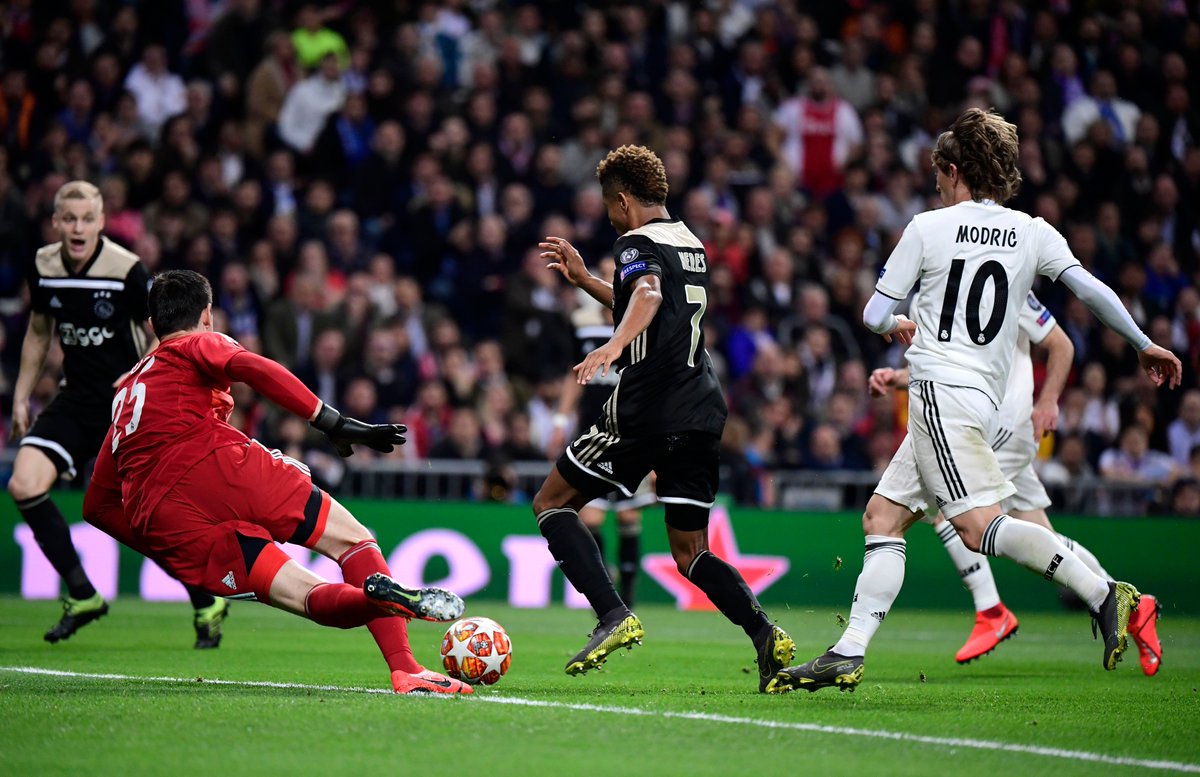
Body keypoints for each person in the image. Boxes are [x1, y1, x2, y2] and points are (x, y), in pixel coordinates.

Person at [771, 109, 1181, 694]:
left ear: (952, 169)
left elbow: (873, 314)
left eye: (938, 173)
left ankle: (1104, 592)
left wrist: (898, 324)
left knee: (975, 527)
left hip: (941, 395)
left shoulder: (926, 227)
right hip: (981, 403)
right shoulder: (1032, 230)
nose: (937, 184)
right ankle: (848, 650)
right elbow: (1089, 290)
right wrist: (1142, 343)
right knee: (883, 517)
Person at [82, 270, 471, 695]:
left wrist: (162, 542)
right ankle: (405, 668)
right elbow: (250, 366)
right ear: (207, 315)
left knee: (306, 595)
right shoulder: (195, 343)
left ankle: (373, 600)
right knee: (354, 542)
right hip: (216, 466)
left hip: (165, 521)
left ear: (151, 325)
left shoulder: (125, 394)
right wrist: (330, 421)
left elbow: (96, 507)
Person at [533, 145, 794, 692]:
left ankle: (612, 613)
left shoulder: (636, 241)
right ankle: (765, 634)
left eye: (610, 207)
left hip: (649, 406)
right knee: (691, 552)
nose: (611, 218)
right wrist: (587, 280)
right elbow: (651, 303)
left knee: (552, 502)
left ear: (623, 201)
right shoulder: (690, 242)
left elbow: (646, 294)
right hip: (702, 408)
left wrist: (613, 346)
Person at [867, 291, 1161, 675]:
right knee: (1040, 534)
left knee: (953, 508)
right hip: (984, 421)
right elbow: (949, 366)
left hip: (1001, 423)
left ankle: (991, 610)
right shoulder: (943, 285)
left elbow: (1061, 344)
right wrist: (898, 378)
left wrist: (1048, 400)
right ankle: (1134, 609)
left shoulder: (1005, 276)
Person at [8, 181, 229, 648]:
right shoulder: (43, 267)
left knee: (141, 518)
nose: (78, 228)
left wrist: (137, 372)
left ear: (102, 222)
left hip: (125, 405)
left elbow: (162, 332)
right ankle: (83, 593)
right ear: (55, 222)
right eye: (70, 219)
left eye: (87, 219)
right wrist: (21, 396)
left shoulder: (126, 270)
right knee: (24, 484)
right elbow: (39, 331)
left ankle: (204, 597)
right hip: (75, 399)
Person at [547, 280, 653, 608]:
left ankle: (629, 594)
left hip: (632, 439)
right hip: (593, 437)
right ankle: (607, 586)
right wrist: (560, 421)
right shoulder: (585, 330)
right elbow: (574, 377)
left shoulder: (644, 331)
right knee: (591, 519)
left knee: (628, 518)